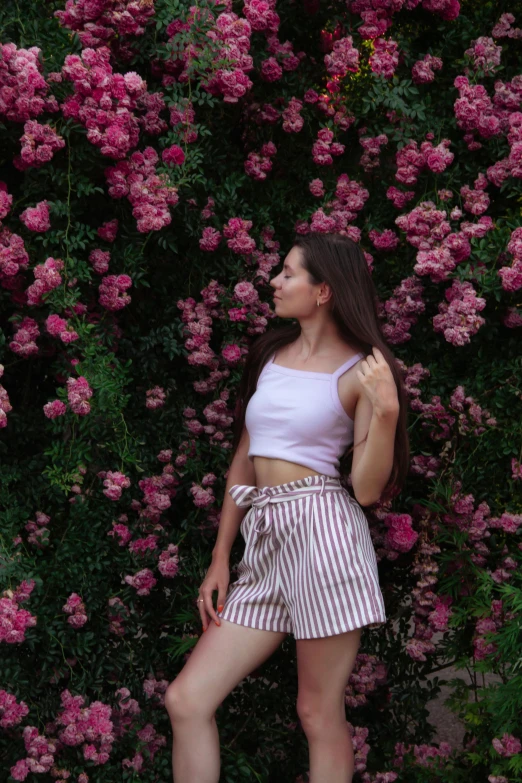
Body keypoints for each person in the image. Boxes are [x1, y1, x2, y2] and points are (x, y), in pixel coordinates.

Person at [165, 232, 410, 783]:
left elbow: (366, 490)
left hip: (322, 535)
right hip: (264, 540)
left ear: (323, 291)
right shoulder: (272, 356)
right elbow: (244, 459)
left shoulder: (362, 372)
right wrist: (222, 556)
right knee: (187, 699)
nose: (274, 282)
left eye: (288, 274)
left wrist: (387, 411)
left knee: (317, 712)